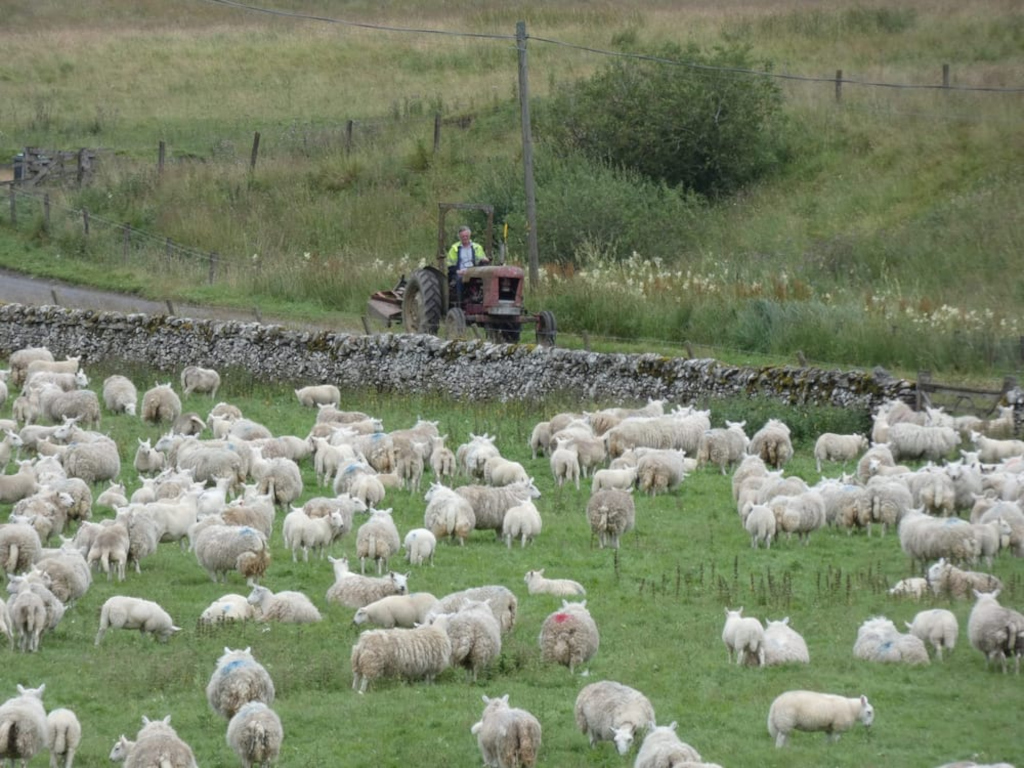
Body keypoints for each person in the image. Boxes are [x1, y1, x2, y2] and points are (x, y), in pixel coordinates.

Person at [446, 225, 488, 306]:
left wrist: (484, 260)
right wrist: (457, 271)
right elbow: (450, 265)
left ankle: (483, 301)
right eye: (463, 236)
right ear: (459, 237)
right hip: (460, 272)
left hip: (474, 272)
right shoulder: (454, 248)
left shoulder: (477, 247)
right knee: (459, 279)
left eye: (466, 236)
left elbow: (482, 259)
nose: (465, 238)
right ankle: (460, 304)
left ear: (469, 236)